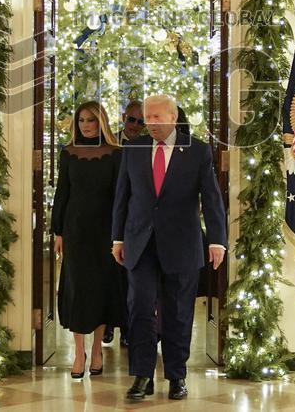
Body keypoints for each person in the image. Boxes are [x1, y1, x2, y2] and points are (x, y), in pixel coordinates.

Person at [111, 94, 227, 401]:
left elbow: (212, 198)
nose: (150, 123)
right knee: (139, 308)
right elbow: (122, 197)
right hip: (140, 243)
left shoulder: (198, 150)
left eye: (157, 117)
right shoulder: (133, 150)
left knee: (178, 312)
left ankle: (177, 375)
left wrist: (217, 240)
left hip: (182, 243)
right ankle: (142, 375)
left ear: (173, 118)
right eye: (147, 117)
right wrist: (118, 238)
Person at [51, 100, 124, 379]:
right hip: (75, 230)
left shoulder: (117, 154)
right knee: (77, 288)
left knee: (101, 289)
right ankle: (78, 351)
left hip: (105, 231)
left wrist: (120, 236)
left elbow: (121, 197)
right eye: (81, 121)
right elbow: (62, 193)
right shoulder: (67, 153)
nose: (85, 126)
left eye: (91, 120)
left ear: (101, 122)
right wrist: (58, 231)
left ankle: (96, 350)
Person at [105, 99, 145, 348]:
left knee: (132, 278)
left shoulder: (145, 146)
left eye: (141, 122)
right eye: (132, 120)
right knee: (111, 276)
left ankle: (129, 328)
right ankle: (109, 323)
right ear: (123, 118)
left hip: (135, 220)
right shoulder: (110, 144)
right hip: (109, 216)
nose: (136, 125)